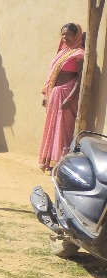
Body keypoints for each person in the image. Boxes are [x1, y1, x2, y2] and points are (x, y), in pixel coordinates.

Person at [39, 22, 85, 172]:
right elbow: (53, 74)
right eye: (63, 34)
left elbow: (80, 78)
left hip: (66, 95)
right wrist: (48, 94)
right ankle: (50, 162)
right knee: (52, 128)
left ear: (76, 36)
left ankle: (61, 163)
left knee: (62, 128)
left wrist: (70, 98)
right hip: (55, 94)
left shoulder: (79, 53)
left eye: (69, 34)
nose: (65, 37)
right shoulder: (62, 52)